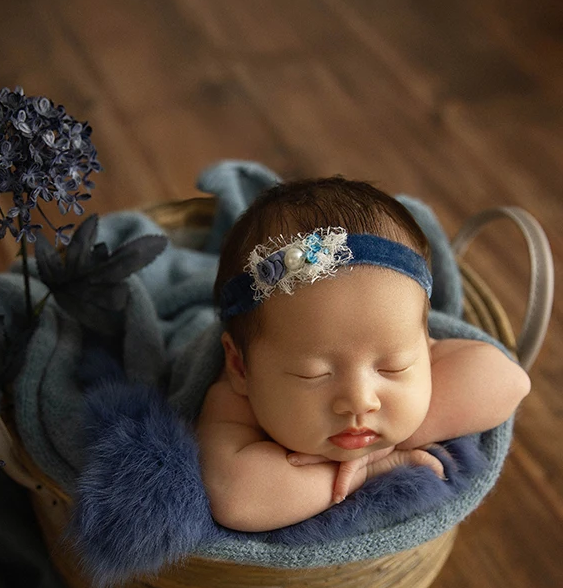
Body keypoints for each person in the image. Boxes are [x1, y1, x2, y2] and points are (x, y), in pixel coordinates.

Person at [196, 177, 531, 532]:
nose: (360, 400)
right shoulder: (232, 398)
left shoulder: (401, 337)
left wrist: (398, 438)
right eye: (314, 374)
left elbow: (509, 380)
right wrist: (363, 472)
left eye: (392, 367)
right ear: (240, 366)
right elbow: (237, 499)